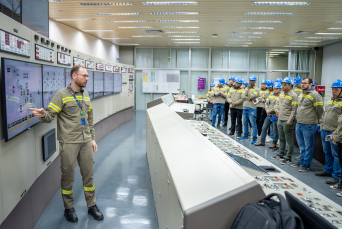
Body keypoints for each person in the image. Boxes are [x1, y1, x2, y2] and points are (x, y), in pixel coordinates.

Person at [29, 65, 104, 223]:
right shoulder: (61, 95)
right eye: (84, 76)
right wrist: (43, 114)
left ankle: (92, 205)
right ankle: (68, 208)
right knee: (68, 177)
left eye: (88, 76)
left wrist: (92, 138)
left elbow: (89, 119)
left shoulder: (86, 95)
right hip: (69, 142)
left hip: (85, 141)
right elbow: (50, 115)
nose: (87, 79)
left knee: (89, 176)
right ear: (74, 76)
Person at [294, 77, 324, 172]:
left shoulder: (315, 95)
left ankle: (306, 165)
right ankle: (302, 161)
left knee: (308, 146)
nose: (303, 85)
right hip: (299, 123)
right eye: (302, 83)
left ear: (311, 84)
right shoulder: (301, 94)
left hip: (309, 124)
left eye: (305, 83)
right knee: (301, 146)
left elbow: (320, 109)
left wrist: (318, 119)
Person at [316, 80, 342, 184]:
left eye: (337, 89)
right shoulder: (330, 101)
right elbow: (324, 114)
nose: (334, 91)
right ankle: (328, 170)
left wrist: (336, 132)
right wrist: (322, 125)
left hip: (334, 133)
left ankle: (336, 175)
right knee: (327, 152)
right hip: (324, 130)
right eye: (333, 89)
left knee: (336, 155)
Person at [271, 77, 298, 165]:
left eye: (285, 85)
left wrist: (290, 121)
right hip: (280, 119)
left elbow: (294, 110)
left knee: (289, 139)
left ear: (290, 86)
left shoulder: (293, 95)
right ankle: (281, 154)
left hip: (287, 121)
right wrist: (277, 112)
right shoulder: (282, 94)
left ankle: (288, 158)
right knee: (281, 138)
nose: (282, 86)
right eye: (282, 84)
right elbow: (279, 105)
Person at [255, 81, 281, 148]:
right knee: (264, 128)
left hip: (275, 115)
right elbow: (266, 103)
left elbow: (277, 106)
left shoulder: (281, 96)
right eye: (274, 88)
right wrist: (267, 109)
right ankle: (262, 141)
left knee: (275, 130)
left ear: (280, 89)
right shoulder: (271, 95)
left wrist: (270, 110)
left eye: (276, 89)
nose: (275, 90)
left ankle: (274, 143)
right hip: (269, 115)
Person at [239, 75, 260, 144]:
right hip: (245, 107)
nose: (250, 82)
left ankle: (254, 138)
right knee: (245, 123)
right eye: (250, 81)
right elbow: (243, 97)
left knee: (253, 124)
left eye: (252, 81)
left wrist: (248, 91)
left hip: (252, 108)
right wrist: (250, 97)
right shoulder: (246, 88)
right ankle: (245, 136)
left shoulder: (257, 89)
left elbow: (253, 96)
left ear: (254, 82)